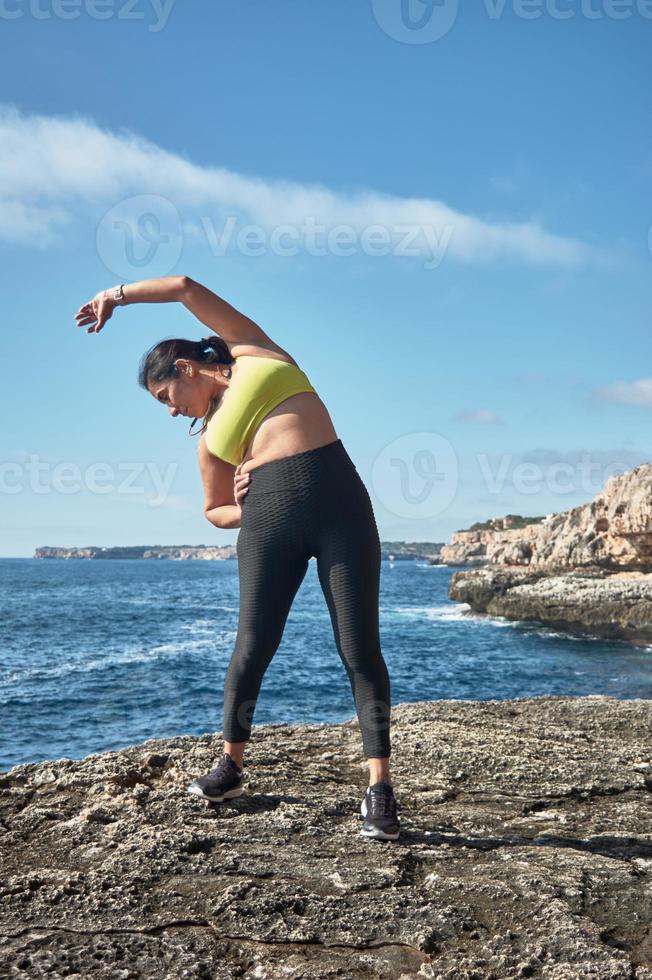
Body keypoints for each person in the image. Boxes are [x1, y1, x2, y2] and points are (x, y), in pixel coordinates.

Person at [74, 275, 400, 842]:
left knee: (359, 648)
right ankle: (231, 765)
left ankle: (379, 788)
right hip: (268, 526)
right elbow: (214, 512)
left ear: (184, 368)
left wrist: (116, 296)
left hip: (342, 509)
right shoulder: (208, 442)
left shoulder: (255, 352)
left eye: (164, 399)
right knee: (252, 647)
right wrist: (244, 506)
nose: (171, 413)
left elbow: (182, 287)